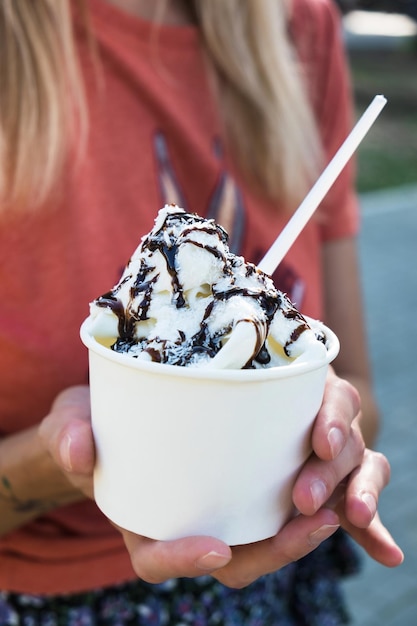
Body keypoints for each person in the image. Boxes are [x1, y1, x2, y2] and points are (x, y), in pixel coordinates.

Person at [0, 0, 403, 624]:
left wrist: (324, 446)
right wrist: (62, 462)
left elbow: (360, 396)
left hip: (281, 593)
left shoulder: (298, 26)